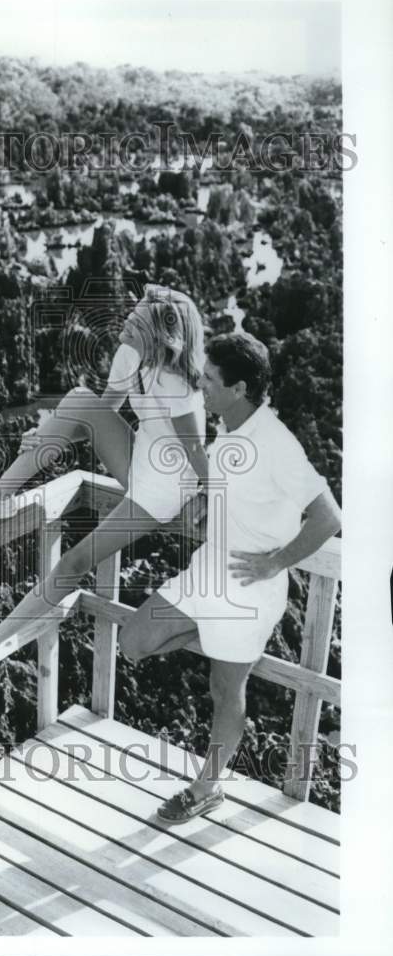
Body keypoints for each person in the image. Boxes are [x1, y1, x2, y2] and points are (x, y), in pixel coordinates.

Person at [117, 332, 341, 824]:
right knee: (133, 641)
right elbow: (231, 486)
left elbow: (328, 517)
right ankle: (214, 637)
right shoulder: (228, 429)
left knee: (225, 691)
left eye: (210, 381)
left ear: (239, 388)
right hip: (207, 569)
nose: (200, 388)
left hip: (249, 584)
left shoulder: (277, 443)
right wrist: (205, 497)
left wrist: (275, 562)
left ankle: (205, 788)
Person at [0, 284, 210, 670]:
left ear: (157, 336)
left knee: (74, 561)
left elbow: (197, 453)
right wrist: (56, 430)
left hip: (163, 489)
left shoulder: (179, 387)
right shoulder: (129, 356)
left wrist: (208, 495)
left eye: (136, 322)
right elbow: (100, 415)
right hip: (137, 460)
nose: (126, 322)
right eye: (130, 315)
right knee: (78, 399)